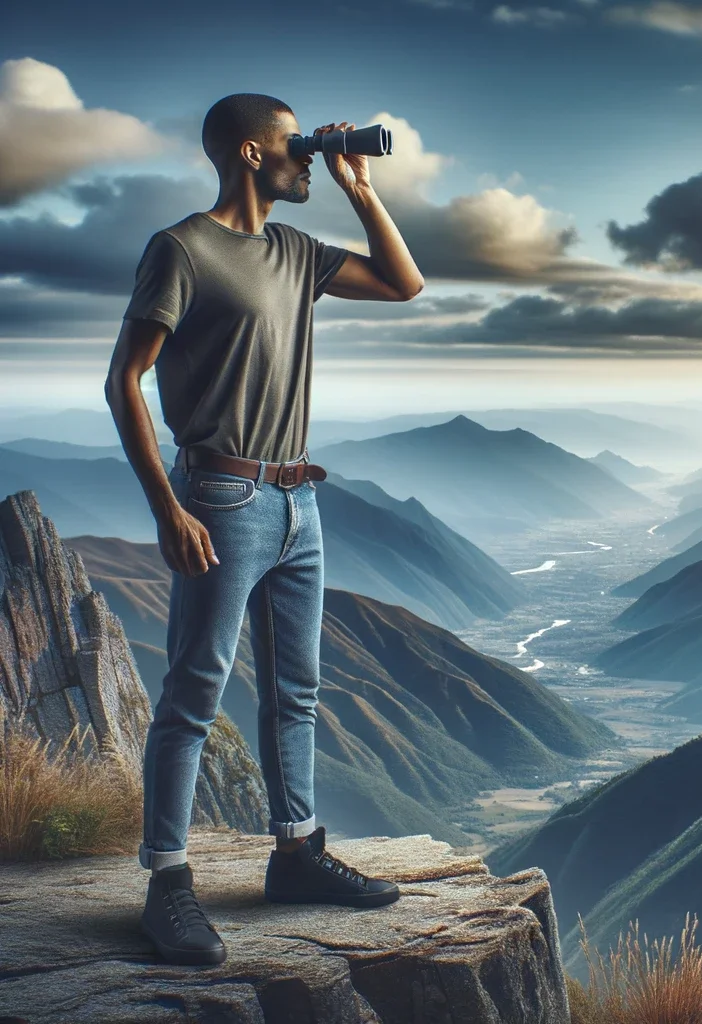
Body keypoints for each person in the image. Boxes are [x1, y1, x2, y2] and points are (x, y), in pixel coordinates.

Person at [104, 93, 425, 966]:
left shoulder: (296, 250)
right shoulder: (182, 249)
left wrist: (360, 185)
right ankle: (167, 886)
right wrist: (166, 507)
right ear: (251, 153)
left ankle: (296, 852)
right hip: (220, 494)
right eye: (298, 146)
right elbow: (124, 379)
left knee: (298, 690)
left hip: (298, 499)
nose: (309, 157)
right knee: (194, 693)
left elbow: (406, 283)